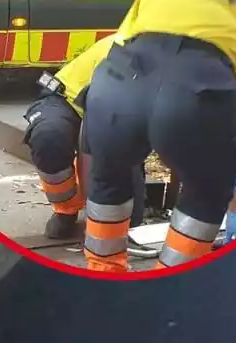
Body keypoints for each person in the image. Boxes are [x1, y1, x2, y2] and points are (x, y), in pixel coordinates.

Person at [81, 0, 236, 273]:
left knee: (109, 175)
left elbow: (119, 41)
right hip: (198, 96)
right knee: (206, 192)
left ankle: (102, 270)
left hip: (118, 86)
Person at [22, 34, 145, 240]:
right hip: (66, 99)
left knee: (129, 219)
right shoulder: (128, 50)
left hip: (110, 109)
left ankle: (125, 212)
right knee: (49, 137)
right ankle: (65, 210)